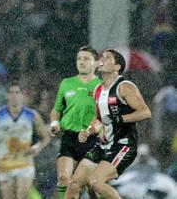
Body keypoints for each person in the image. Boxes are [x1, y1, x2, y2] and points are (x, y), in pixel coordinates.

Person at [65, 49, 152, 199]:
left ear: (117, 67)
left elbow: (145, 112)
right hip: (103, 145)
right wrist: (89, 131)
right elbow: (99, 119)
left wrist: (120, 119)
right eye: (101, 57)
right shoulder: (98, 90)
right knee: (74, 184)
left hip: (123, 145)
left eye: (107, 57)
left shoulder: (125, 86)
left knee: (95, 182)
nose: (101, 60)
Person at [0, 80, 51, 199]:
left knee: (21, 196)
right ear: (7, 95)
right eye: (11, 92)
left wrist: (37, 147)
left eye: (17, 92)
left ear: (22, 95)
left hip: (25, 163)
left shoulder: (32, 115)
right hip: (4, 163)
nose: (14, 95)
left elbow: (45, 137)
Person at [50, 46, 102, 199]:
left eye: (86, 59)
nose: (81, 62)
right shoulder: (66, 83)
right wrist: (54, 123)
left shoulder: (101, 86)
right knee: (64, 179)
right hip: (69, 137)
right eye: (79, 58)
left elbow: (102, 115)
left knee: (91, 186)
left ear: (96, 63)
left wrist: (91, 130)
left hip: (91, 140)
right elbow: (56, 109)